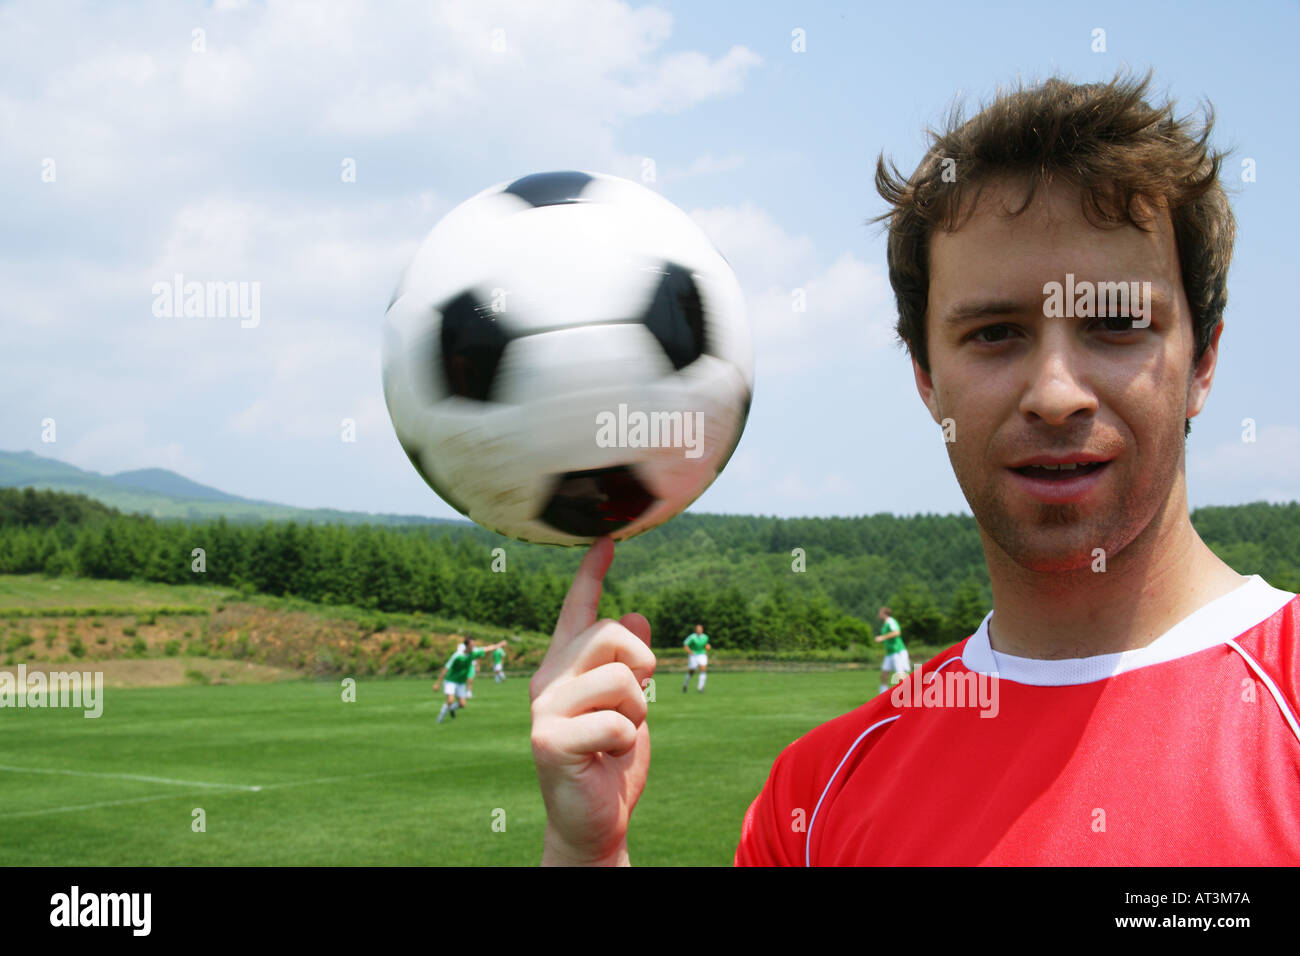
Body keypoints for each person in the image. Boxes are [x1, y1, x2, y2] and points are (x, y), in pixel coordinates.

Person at [527, 72, 1300, 865]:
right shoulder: (817, 795)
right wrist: (588, 851)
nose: (1057, 394)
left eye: (1116, 324)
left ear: (1203, 359)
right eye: (997, 333)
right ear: (926, 377)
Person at [436, 637, 505, 724]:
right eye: (472, 645)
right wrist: (437, 683)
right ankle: (439, 720)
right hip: (451, 681)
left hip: (461, 682)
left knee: (462, 704)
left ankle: (451, 709)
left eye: (474, 644)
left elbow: (487, 649)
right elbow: (446, 669)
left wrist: (499, 645)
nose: (474, 646)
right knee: (450, 701)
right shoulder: (457, 656)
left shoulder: (473, 653)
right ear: (467, 646)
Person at [874, 607, 907, 695]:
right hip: (890, 653)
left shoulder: (890, 621)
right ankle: (882, 696)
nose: (879, 614)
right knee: (883, 675)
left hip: (897, 652)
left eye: (880, 612)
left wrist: (882, 637)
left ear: (884, 613)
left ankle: (907, 696)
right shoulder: (885, 624)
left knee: (900, 676)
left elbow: (896, 632)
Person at [682, 624, 711, 693]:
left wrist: (708, 648)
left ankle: (700, 688)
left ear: (702, 630)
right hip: (694, 655)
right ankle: (685, 685)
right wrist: (690, 652)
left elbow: (706, 645)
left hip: (702, 655)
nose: (699, 630)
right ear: (696, 630)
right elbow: (685, 645)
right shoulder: (692, 637)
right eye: (698, 629)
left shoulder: (705, 637)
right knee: (691, 671)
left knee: (703, 669)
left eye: (700, 629)